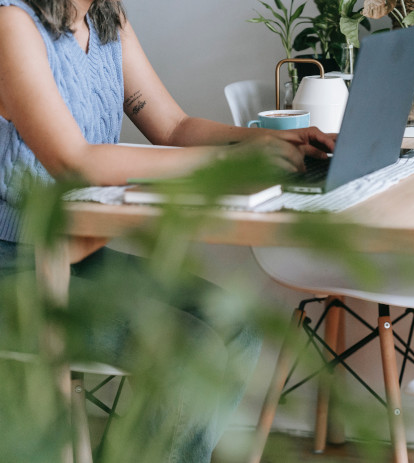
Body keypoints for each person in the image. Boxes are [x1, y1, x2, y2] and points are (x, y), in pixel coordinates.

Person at [0, 0, 336, 462]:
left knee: (235, 325)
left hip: (72, 256)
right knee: (188, 345)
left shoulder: (105, 17)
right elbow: (74, 161)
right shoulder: (11, 24)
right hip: (12, 267)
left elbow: (174, 126)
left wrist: (270, 140)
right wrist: (227, 162)